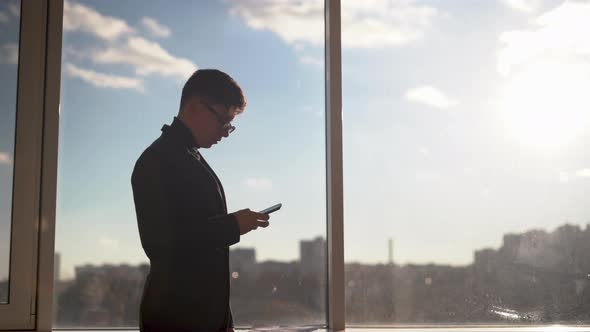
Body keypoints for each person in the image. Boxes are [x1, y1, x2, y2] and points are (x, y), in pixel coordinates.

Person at [131, 69, 270, 332]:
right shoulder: (157, 160)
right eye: (223, 121)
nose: (226, 132)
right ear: (197, 107)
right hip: (175, 319)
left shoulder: (187, 156)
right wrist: (233, 225)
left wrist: (224, 322)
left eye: (230, 125)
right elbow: (163, 242)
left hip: (198, 317)